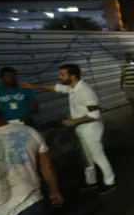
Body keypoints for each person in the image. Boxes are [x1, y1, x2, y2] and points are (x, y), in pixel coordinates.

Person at [23, 64, 116, 193]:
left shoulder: (84, 91)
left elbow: (95, 115)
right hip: (81, 128)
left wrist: (73, 121)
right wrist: (35, 86)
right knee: (86, 158)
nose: (59, 77)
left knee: (97, 156)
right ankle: (91, 182)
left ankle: (110, 182)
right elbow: (56, 88)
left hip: (91, 129)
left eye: (62, 74)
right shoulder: (73, 88)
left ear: (72, 76)